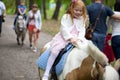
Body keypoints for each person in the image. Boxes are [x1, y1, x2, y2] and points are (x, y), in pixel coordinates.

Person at [42, 0, 88, 80]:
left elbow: (82, 30)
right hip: (65, 38)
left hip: (78, 39)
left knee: (86, 50)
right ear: (71, 8)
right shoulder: (66, 17)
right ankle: (47, 72)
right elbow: (63, 29)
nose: (78, 12)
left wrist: (79, 39)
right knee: (54, 51)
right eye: (76, 10)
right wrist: (70, 38)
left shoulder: (82, 19)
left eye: (80, 11)